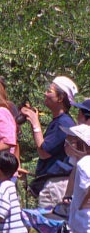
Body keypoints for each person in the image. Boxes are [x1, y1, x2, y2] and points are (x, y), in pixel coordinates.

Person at [20, 76, 77, 207]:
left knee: (51, 224)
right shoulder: (59, 122)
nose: (45, 93)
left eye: (50, 91)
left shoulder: (64, 124)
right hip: (54, 184)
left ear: (61, 98)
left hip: (56, 186)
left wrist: (35, 123)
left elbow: (43, 151)